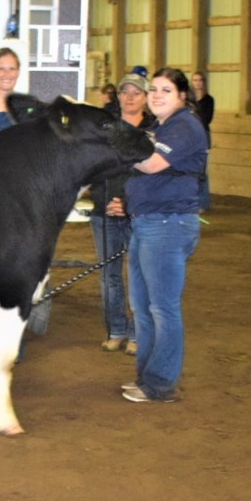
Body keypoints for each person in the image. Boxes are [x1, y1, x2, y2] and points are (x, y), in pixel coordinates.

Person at [121, 67, 207, 403]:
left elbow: (152, 165)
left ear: (182, 96)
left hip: (168, 225)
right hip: (149, 222)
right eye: (153, 89)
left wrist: (120, 147)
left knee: (162, 307)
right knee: (142, 306)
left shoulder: (184, 126)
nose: (156, 95)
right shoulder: (161, 127)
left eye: (165, 90)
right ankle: (148, 379)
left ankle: (159, 384)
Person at [90, 74, 152, 355]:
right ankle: (116, 330)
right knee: (109, 275)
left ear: (145, 97)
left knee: (141, 274)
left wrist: (128, 202)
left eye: (136, 93)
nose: (129, 97)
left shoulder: (154, 129)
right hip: (104, 209)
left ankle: (138, 333)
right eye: (125, 92)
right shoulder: (105, 128)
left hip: (140, 213)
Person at [191, 71, 215, 210]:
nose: (197, 83)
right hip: (190, 135)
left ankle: (203, 202)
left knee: (202, 170)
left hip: (203, 136)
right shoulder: (190, 100)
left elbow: (207, 119)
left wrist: (192, 118)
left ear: (203, 82)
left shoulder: (208, 100)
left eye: (200, 80)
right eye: (195, 80)